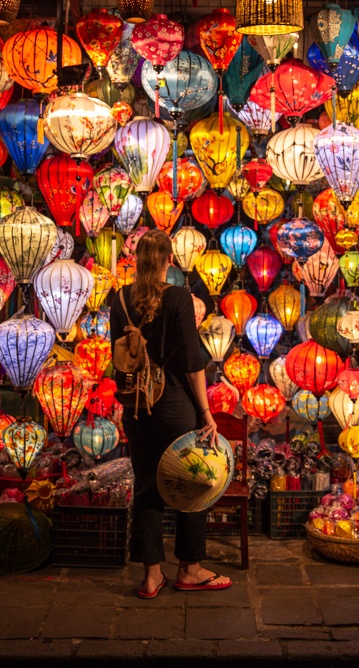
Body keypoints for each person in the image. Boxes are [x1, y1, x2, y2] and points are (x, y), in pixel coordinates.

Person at [110, 229, 232, 598]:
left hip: (136, 407)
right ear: (169, 261)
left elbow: (118, 357)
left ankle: (151, 577)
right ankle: (190, 569)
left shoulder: (119, 299)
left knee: (148, 485)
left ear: (137, 260)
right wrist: (206, 412)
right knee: (192, 482)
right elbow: (194, 363)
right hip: (175, 405)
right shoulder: (179, 297)